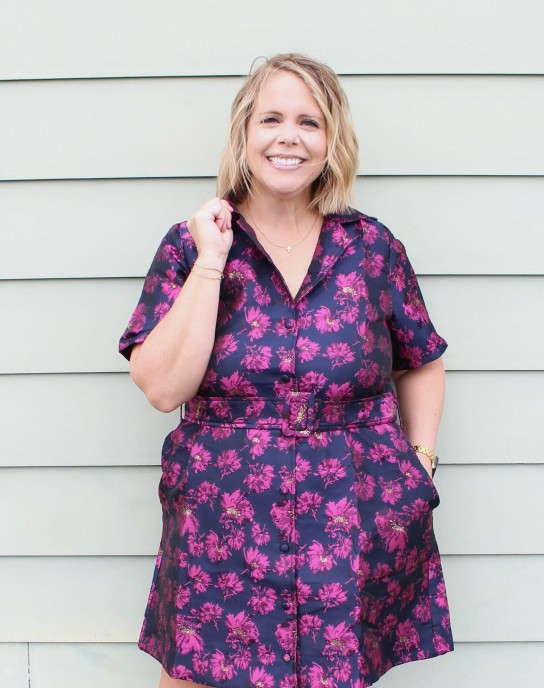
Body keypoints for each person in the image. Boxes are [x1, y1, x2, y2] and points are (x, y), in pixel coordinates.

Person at [119, 53, 453, 688]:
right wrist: (213, 263)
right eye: (271, 118)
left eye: (310, 121)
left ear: (332, 142)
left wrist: (420, 461)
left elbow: (421, 361)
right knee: (194, 677)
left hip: (348, 513)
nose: (289, 137)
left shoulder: (372, 248)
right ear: (246, 132)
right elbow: (162, 389)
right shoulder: (192, 245)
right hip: (224, 516)